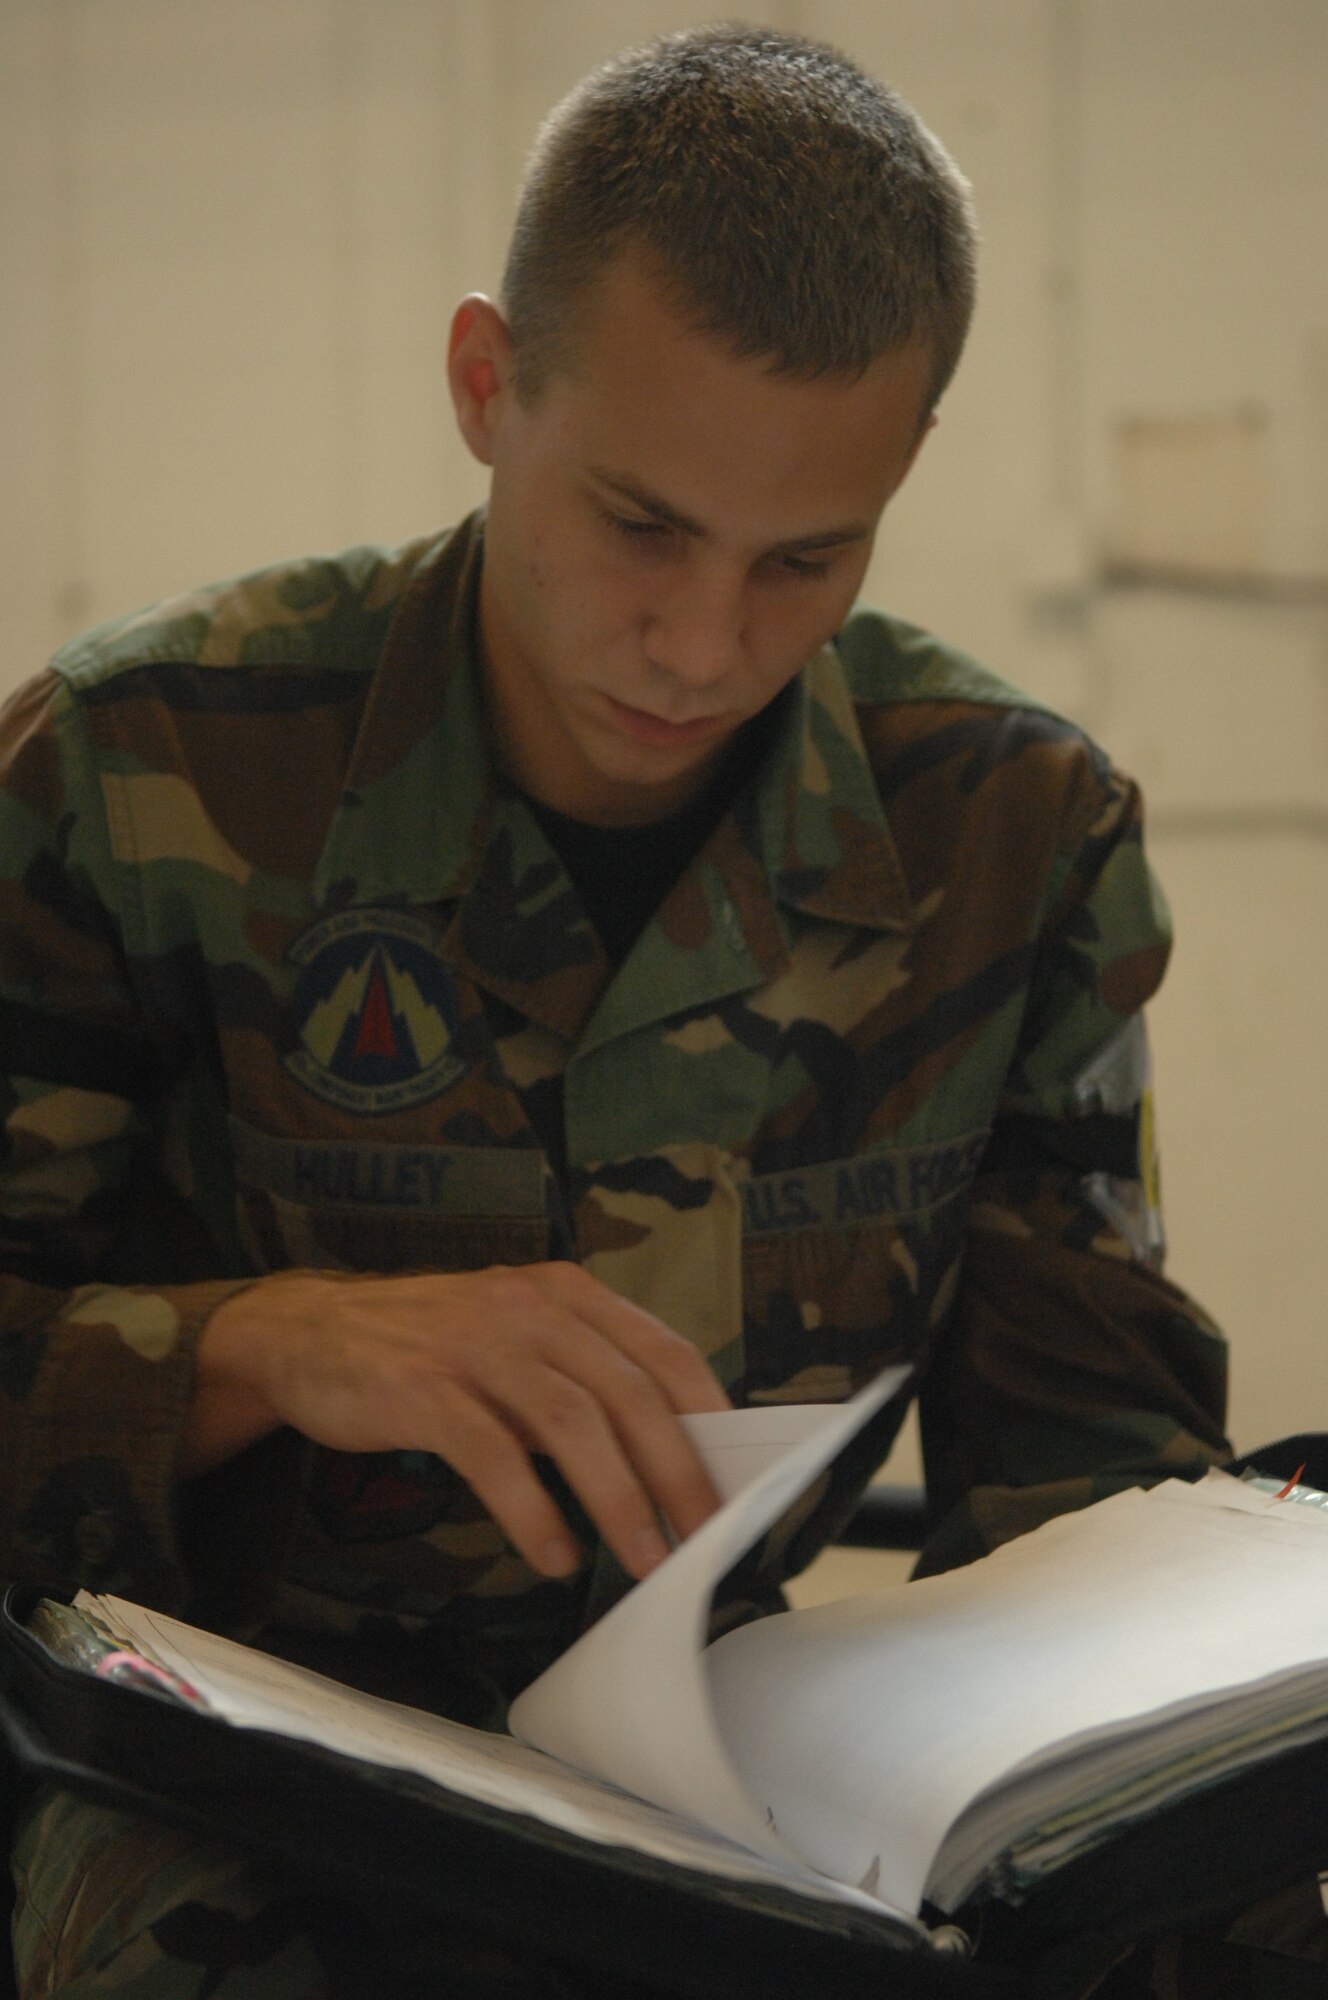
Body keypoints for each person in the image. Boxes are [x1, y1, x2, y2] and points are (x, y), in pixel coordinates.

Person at [4, 20, 1310, 1999]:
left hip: (731, 1788)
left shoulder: (1010, 831)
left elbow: (1082, 1474)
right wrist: (259, 1346)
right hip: (225, 1776)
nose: (705, 647)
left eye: (808, 555)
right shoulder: (141, 773)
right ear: (482, 384)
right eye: (639, 525)